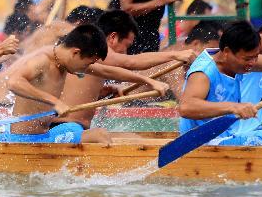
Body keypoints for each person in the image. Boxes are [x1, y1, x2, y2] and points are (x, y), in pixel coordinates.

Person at [0, 25, 169, 144]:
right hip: (23, 140)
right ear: (76, 53)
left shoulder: (66, 62)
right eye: (88, 63)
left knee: (107, 134)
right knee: (100, 136)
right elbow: (14, 82)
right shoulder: (42, 61)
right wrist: (54, 101)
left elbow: (107, 71)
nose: (88, 68)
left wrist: (149, 81)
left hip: (45, 135)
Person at [53, 10, 195, 131]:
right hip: (67, 126)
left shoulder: (90, 57)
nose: (125, 52)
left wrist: (105, 91)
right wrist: (175, 55)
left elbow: (80, 91)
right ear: (113, 37)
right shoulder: (94, 50)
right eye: (126, 45)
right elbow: (131, 62)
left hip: (74, 127)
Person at [178, 21, 262, 146]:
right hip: (201, 140)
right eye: (247, 59)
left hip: (229, 133)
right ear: (226, 52)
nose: (253, 63)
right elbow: (186, 107)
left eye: (255, 57)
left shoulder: (234, 61)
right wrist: (233, 107)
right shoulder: (204, 72)